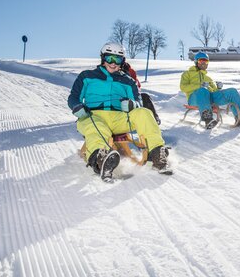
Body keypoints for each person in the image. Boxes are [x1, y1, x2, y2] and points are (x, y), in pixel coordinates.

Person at [68, 42, 172, 178]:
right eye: (109, 58)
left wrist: (132, 105)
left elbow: (139, 102)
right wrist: (77, 106)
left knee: (144, 113)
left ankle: (157, 153)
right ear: (102, 58)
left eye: (117, 59)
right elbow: (74, 97)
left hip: (119, 119)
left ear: (122, 61)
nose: (113, 63)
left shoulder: (127, 81)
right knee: (96, 127)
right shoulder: (87, 76)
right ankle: (100, 160)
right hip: (93, 116)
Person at [179, 52, 240, 129]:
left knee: (232, 91)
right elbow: (183, 87)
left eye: (205, 61)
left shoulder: (208, 79)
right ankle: (208, 119)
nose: (203, 63)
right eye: (201, 61)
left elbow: (214, 92)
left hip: (210, 98)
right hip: (194, 98)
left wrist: (218, 88)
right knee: (202, 90)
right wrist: (199, 86)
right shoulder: (187, 74)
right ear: (196, 62)